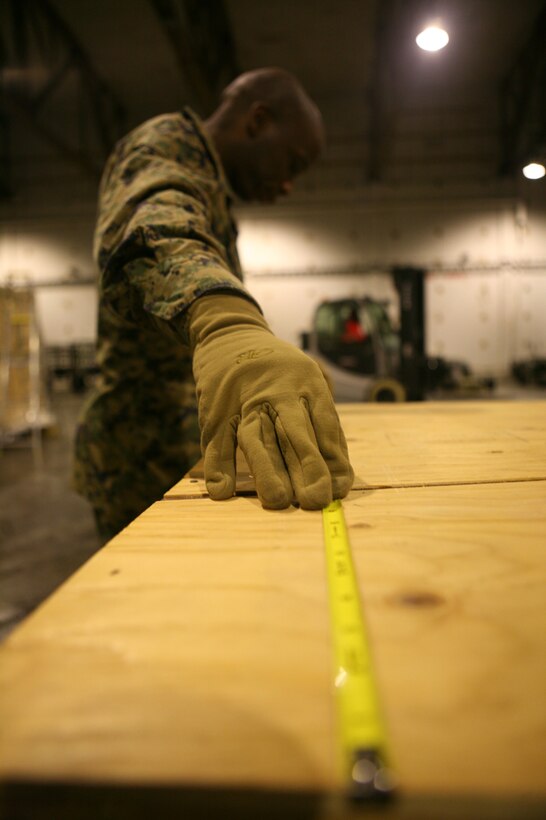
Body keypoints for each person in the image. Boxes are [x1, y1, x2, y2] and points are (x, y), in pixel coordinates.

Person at [74, 67, 354, 542]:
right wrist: (227, 325)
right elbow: (157, 231)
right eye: (293, 162)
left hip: (185, 442)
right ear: (258, 119)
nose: (288, 186)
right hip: (137, 456)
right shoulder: (162, 148)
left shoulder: (209, 184)